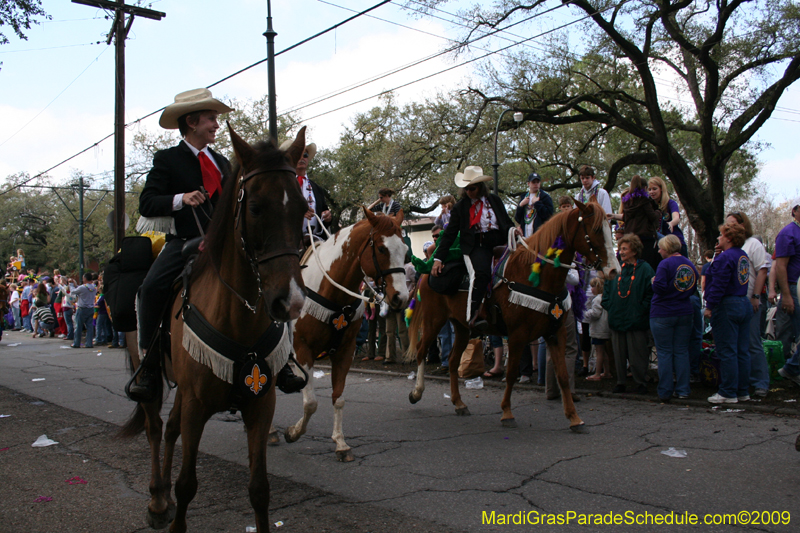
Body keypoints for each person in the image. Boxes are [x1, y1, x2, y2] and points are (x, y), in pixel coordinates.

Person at [132, 88, 234, 400]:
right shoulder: (168, 159)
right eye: (211, 119)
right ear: (191, 122)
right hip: (186, 242)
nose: (216, 125)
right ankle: (149, 365)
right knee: (150, 289)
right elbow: (147, 203)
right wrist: (181, 198)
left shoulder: (223, 163)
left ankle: (282, 358)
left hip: (225, 244)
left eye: (216, 119)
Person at [431, 166, 517, 333]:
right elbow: (449, 234)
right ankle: (473, 317)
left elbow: (506, 223)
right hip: (476, 247)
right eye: (466, 188)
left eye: (472, 188)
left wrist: (515, 231)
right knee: (480, 273)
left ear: (481, 187)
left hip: (500, 243)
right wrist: (438, 258)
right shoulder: (460, 207)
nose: (469, 191)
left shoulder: (495, 201)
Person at [704, 222, 751, 403]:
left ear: (729, 238)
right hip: (742, 302)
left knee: (727, 350)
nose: (718, 238)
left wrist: (710, 306)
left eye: (721, 235)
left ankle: (727, 392)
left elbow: (718, 284)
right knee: (741, 350)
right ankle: (742, 390)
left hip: (727, 305)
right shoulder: (742, 256)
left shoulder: (725, 258)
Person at [602, 234, 655, 395]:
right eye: (621, 249)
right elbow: (606, 291)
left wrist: (640, 310)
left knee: (638, 354)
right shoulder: (616, 268)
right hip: (617, 319)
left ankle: (640, 382)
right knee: (618, 354)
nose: (622, 252)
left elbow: (650, 293)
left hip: (636, 321)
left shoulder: (645, 269)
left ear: (634, 250)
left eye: (625, 249)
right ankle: (620, 382)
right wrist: (610, 306)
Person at [726, 211, 769, 398]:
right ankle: (740, 382)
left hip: (749, 299)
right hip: (733, 302)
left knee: (752, 342)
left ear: (743, 225)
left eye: (733, 224)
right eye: (727, 224)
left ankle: (760, 382)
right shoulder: (729, 247)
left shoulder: (753, 244)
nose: (730, 227)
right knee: (735, 345)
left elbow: (762, 271)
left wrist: (756, 296)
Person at [650, 235, 698, 401]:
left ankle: (665, 390)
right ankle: (683, 389)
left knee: (664, 352)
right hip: (684, 310)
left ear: (667, 249)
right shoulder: (689, 264)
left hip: (663, 312)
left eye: (661, 248)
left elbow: (660, 288)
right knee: (681, 351)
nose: (659, 250)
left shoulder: (665, 264)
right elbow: (692, 288)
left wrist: (653, 282)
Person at [280, 139, 332, 243]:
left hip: (315, 241)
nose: (302, 158)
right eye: (298, 155)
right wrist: (298, 212)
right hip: (289, 243)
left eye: (305, 155)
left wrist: (328, 217)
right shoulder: (281, 185)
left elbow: (324, 211)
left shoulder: (317, 188)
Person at [775, 201, 800, 388]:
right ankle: (787, 370)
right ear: (795, 211)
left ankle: (791, 369)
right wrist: (786, 295)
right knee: (788, 331)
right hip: (793, 287)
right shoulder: (788, 233)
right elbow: (780, 266)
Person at [617, 175, 661, 270]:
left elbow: (625, 217)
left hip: (630, 237)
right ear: (645, 188)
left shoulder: (627, 201)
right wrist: (658, 212)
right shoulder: (644, 201)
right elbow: (652, 217)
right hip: (645, 238)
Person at [648, 177, 687, 256]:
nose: (651, 192)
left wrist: (671, 223)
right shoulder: (648, 206)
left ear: (661, 189)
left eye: (654, 189)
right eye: (649, 189)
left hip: (674, 243)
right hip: (659, 245)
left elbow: (676, 217)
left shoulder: (670, 203)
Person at [583, 277, 612, 381]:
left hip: (598, 329)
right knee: (603, 352)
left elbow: (595, 314)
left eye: (593, 287)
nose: (591, 289)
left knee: (599, 352)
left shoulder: (597, 299)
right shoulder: (605, 298)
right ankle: (607, 372)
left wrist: (586, 313)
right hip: (604, 328)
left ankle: (598, 373)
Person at [514, 172, 554, 236]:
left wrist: (537, 203)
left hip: (539, 234)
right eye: (533, 182)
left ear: (540, 183)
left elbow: (548, 215)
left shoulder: (545, 197)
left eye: (537, 182)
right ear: (528, 183)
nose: (536, 184)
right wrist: (520, 205)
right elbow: (517, 218)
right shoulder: (524, 197)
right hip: (525, 234)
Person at [71, 273, 97, 349]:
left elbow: (73, 292)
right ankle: (89, 343)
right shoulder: (94, 287)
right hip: (91, 308)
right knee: (89, 327)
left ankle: (76, 343)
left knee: (78, 326)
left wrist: (71, 285)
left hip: (82, 308)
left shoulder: (82, 287)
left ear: (85, 279)